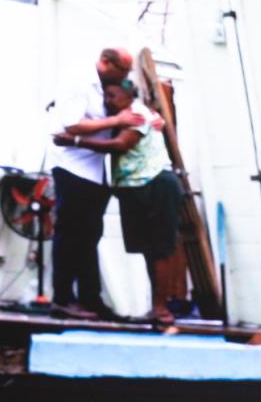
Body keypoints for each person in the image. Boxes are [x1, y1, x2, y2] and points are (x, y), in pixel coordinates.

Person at [54, 79, 185, 326]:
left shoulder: (136, 114)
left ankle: (161, 308)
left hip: (154, 183)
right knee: (148, 249)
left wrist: (75, 141)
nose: (107, 101)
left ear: (128, 95)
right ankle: (157, 308)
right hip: (136, 187)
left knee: (159, 249)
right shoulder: (122, 115)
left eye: (113, 96)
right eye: (106, 96)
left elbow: (120, 145)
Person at [46, 47, 148, 320]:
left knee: (90, 234)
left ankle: (91, 298)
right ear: (105, 62)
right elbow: (71, 124)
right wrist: (118, 120)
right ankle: (63, 298)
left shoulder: (104, 84)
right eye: (121, 70)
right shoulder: (79, 80)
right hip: (72, 165)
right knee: (69, 233)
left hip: (93, 169)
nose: (124, 76)